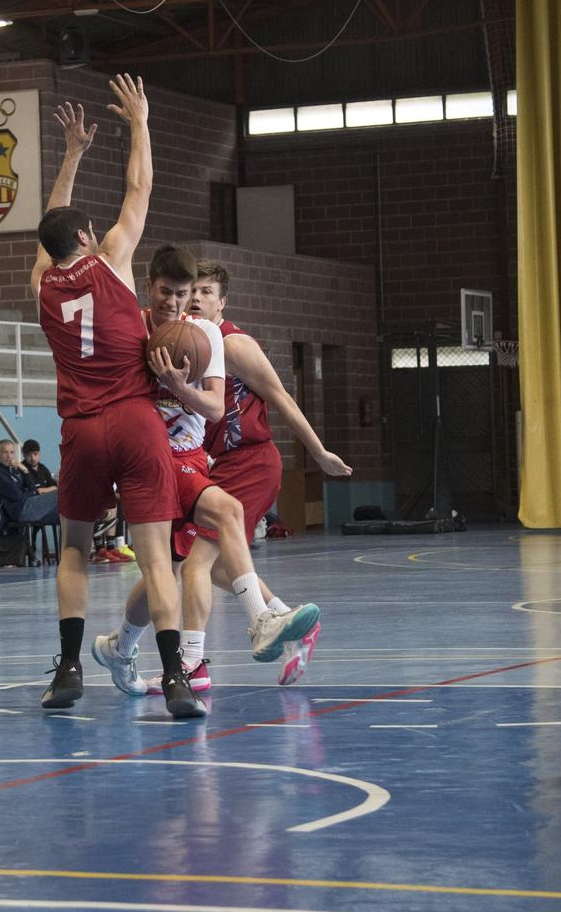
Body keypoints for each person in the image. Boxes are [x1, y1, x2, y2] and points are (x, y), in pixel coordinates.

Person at [31, 80, 202, 719]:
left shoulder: (43, 284)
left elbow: (49, 230)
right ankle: (176, 676)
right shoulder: (112, 258)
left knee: (74, 548)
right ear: (89, 233)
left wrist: (70, 155)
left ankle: (69, 666)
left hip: (80, 430)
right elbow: (140, 189)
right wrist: (140, 123)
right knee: (154, 554)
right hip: (134, 420)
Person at [91, 246, 319, 704]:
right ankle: (131, 647)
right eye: (172, 292)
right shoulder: (131, 328)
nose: (181, 301)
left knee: (198, 549)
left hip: (205, 460)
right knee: (172, 567)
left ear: (218, 301)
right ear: (151, 288)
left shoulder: (212, 339)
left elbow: (217, 407)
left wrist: (176, 386)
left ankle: (247, 626)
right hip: (150, 462)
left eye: (191, 293)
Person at [184, 258, 352, 685]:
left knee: (196, 563)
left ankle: (191, 664)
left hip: (252, 462)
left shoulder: (233, 344)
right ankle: (289, 620)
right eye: (194, 291)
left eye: (207, 292)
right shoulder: (190, 342)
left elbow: (281, 397)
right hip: (223, 465)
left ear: (222, 303)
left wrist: (318, 452)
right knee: (222, 569)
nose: (198, 298)